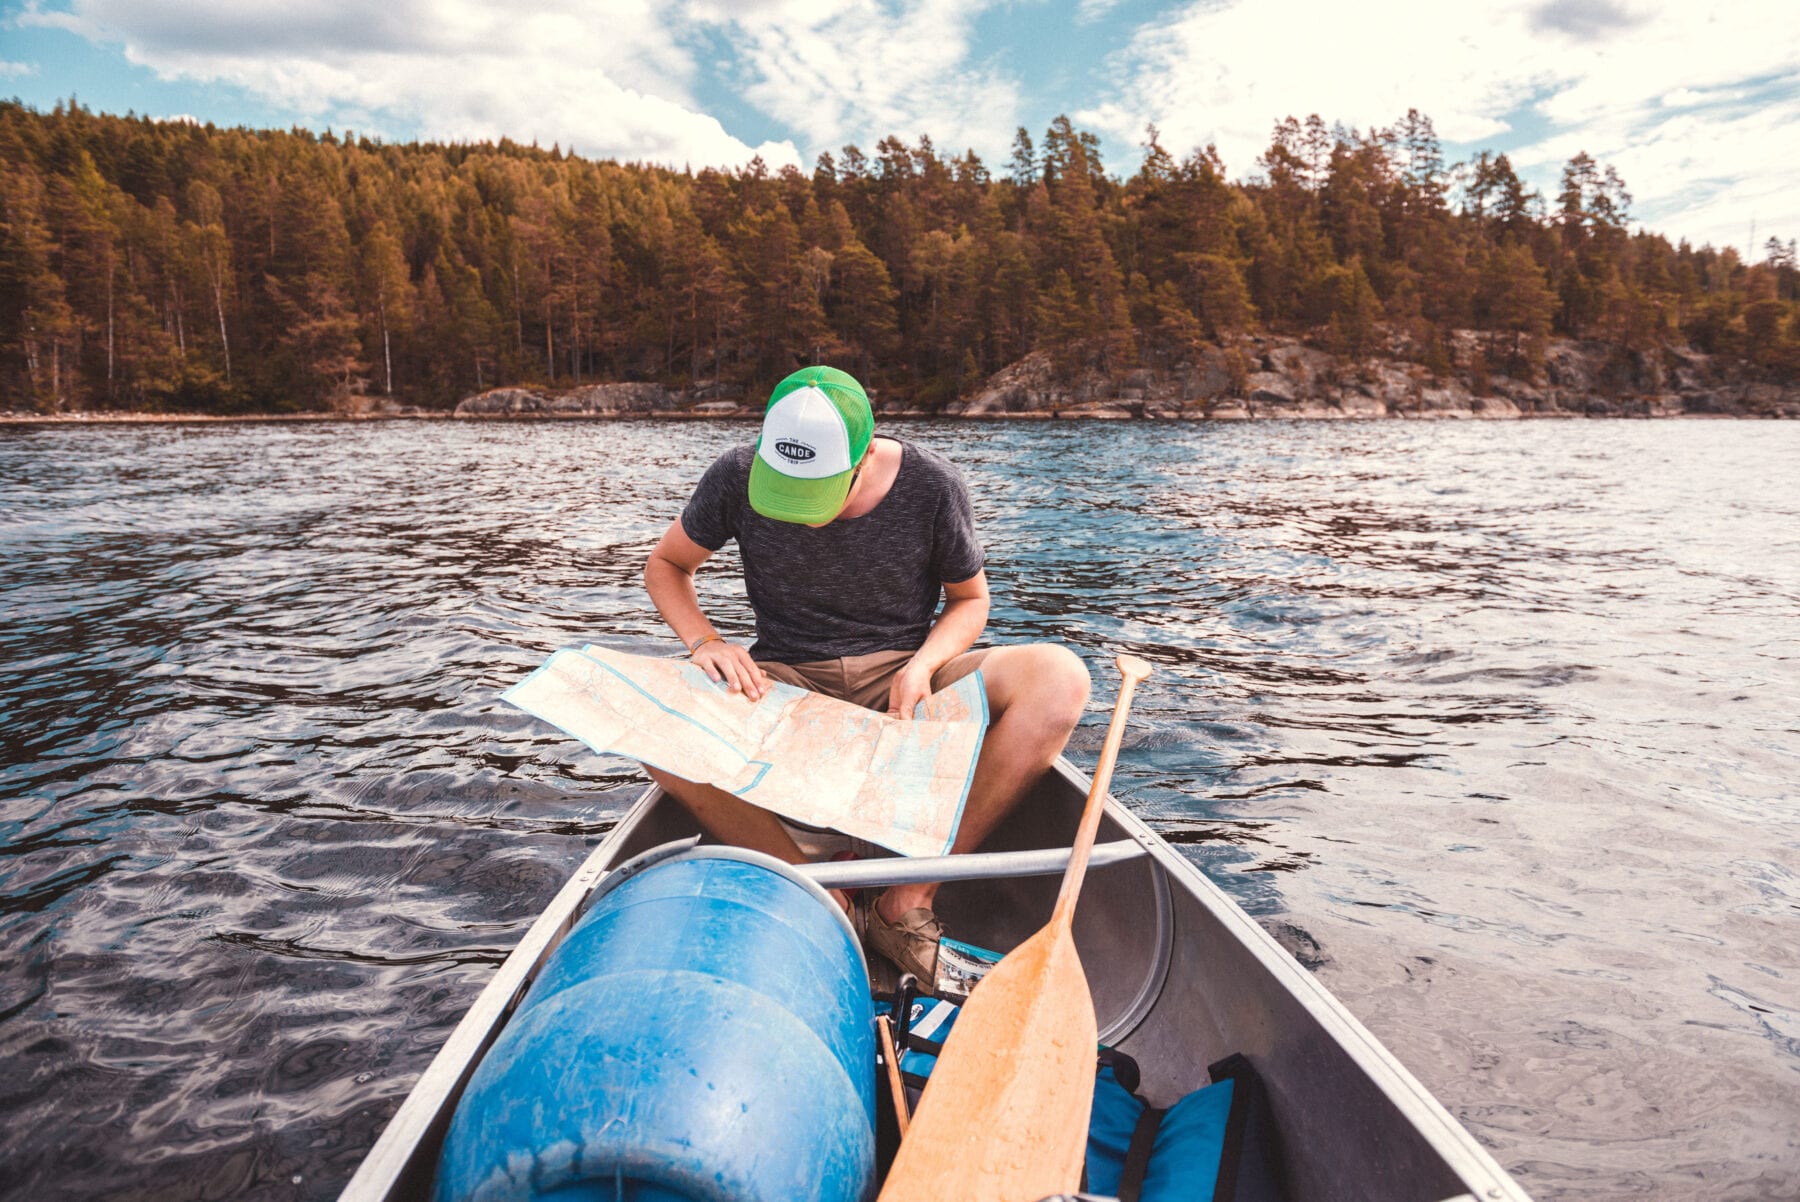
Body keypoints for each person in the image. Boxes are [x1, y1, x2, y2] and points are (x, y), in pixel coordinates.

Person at [642, 364, 1090, 983]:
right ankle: (815, 894)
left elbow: (970, 600)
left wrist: (924, 667)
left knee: (1059, 677)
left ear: (862, 456)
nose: (801, 515)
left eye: (818, 494)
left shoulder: (932, 484)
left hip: (907, 680)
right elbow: (667, 564)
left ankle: (906, 899)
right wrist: (705, 641)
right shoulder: (735, 474)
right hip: (783, 681)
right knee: (648, 723)